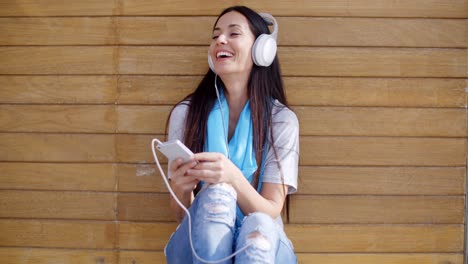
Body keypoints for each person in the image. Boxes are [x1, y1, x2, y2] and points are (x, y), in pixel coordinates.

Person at [164, 5, 299, 264]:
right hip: (199, 242)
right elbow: (181, 214)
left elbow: (271, 211)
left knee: (257, 225)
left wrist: (232, 177)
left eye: (233, 33)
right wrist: (182, 191)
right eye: (215, 36)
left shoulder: (281, 121)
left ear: (263, 50)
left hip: (262, 243)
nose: (220, 40)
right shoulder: (186, 113)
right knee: (215, 197)